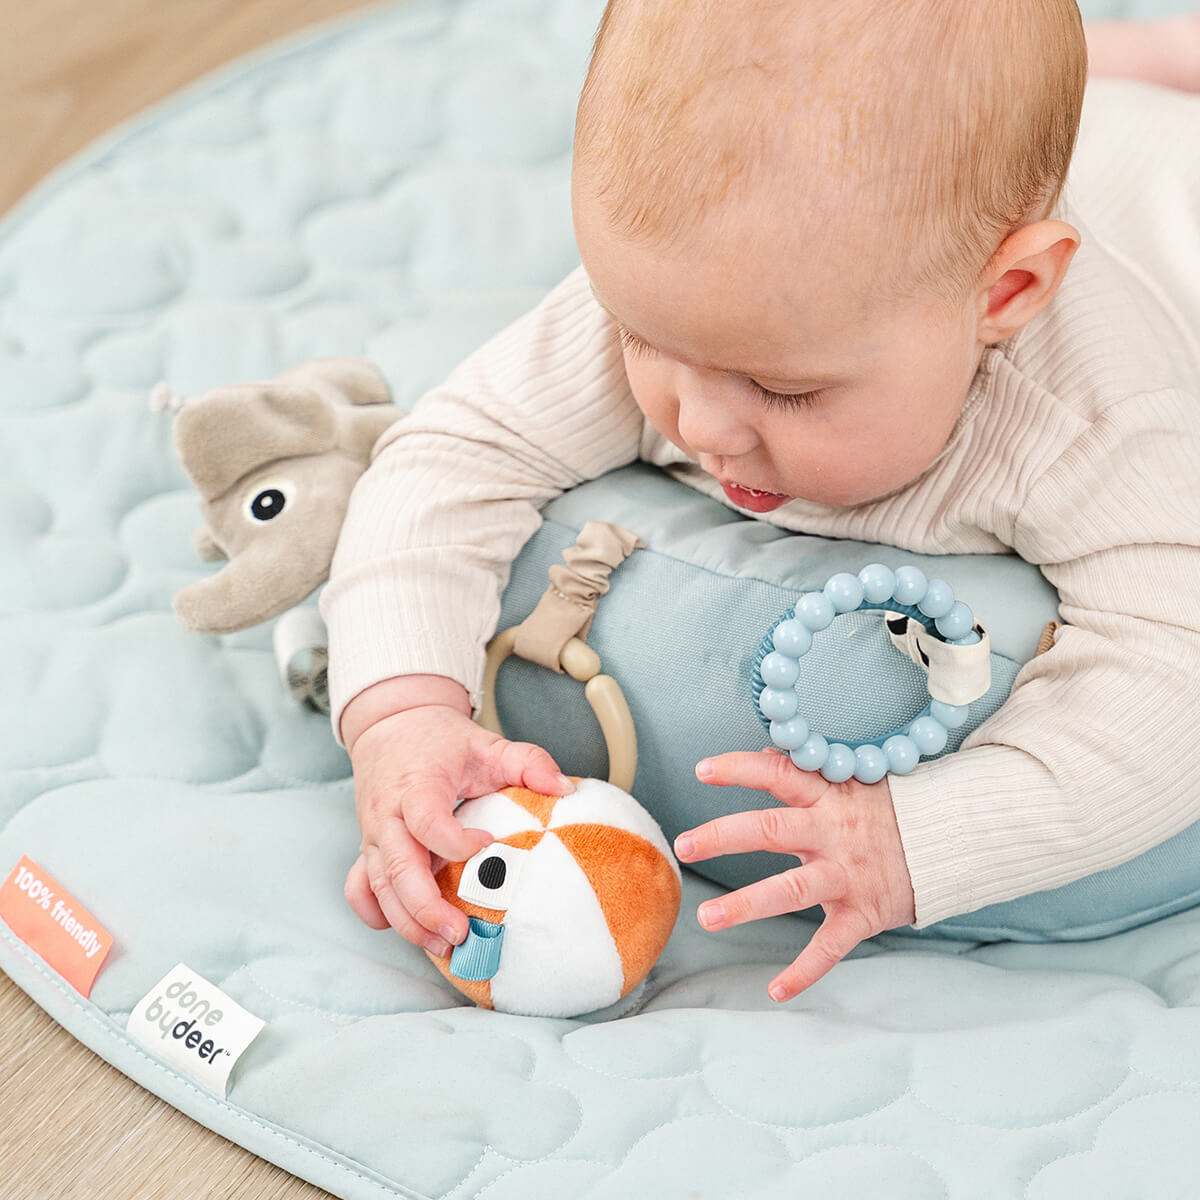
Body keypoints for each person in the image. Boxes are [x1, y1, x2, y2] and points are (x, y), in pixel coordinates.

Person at [322, 0, 1200, 1003]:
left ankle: (1154, 64)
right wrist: (401, 714)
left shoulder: (1097, 422)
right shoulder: (709, 296)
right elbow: (449, 457)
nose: (699, 423)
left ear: (1000, 299)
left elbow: (1174, 671)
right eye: (639, 336)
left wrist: (919, 842)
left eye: (782, 389)